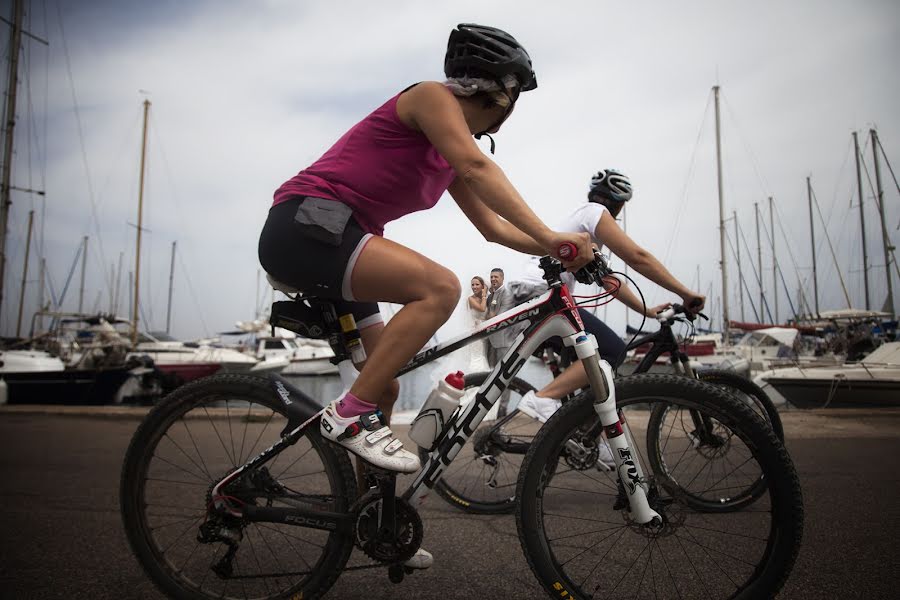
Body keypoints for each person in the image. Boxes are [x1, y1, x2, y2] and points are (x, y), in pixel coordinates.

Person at [258, 24, 591, 499]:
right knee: (439, 287)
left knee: (385, 388)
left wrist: (558, 250)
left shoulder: (448, 152)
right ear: (504, 94)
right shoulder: (430, 98)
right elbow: (480, 168)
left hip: (336, 238)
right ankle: (348, 415)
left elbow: (493, 228)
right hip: (306, 225)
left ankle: (370, 515)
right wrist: (552, 235)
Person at [517, 169, 706, 429]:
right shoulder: (594, 214)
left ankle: (596, 439)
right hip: (540, 297)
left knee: (597, 374)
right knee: (612, 351)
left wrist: (648, 311)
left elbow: (608, 281)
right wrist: (685, 293)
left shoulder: (585, 232)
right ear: (617, 205)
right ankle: (542, 399)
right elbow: (637, 257)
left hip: (532, 299)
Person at [465, 275, 489, 370]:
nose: (474, 287)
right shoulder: (470, 299)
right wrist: (484, 295)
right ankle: (475, 375)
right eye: (472, 285)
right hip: (475, 331)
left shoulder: (487, 299)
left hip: (486, 331)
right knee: (477, 356)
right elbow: (482, 309)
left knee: (484, 355)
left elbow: (489, 312)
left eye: (477, 284)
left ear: (483, 286)